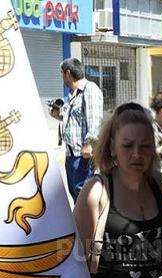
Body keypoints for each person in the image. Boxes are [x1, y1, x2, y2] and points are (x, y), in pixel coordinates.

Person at [74, 103, 162, 278]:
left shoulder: (158, 183)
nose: (137, 154)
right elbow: (75, 266)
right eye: (128, 146)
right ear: (112, 147)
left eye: (145, 146)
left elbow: (160, 250)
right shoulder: (96, 191)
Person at [51, 57, 104, 201]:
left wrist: (89, 143)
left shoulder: (90, 89)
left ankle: (89, 223)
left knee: (84, 194)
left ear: (68, 73)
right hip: (71, 152)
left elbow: (95, 119)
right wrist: (57, 114)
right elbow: (73, 118)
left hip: (82, 154)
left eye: (62, 73)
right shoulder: (73, 95)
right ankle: (80, 223)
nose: (62, 77)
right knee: (75, 193)